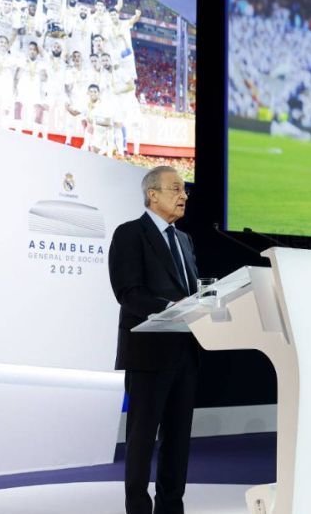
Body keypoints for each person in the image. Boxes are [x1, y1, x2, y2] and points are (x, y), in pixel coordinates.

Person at [108, 166, 199, 514]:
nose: (183, 196)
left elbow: (191, 293)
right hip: (148, 354)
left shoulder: (185, 240)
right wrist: (168, 307)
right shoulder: (130, 234)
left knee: (178, 443)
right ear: (152, 194)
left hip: (186, 354)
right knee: (142, 442)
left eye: (184, 190)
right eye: (175, 188)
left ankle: (171, 508)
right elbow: (128, 292)